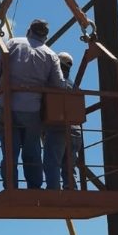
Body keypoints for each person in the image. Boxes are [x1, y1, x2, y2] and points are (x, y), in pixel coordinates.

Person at [0, 19, 64, 189]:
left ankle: (10, 187)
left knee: (9, 151)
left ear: (29, 31)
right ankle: (34, 188)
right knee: (32, 151)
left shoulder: (12, 44)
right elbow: (58, 86)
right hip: (32, 110)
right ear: (45, 36)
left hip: (6, 106)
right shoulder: (51, 55)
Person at [43, 52, 83, 190]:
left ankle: (53, 191)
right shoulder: (73, 85)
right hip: (75, 131)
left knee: (52, 163)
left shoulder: (53, 83)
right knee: (69, 166)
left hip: (58, 128)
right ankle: (72, 190)